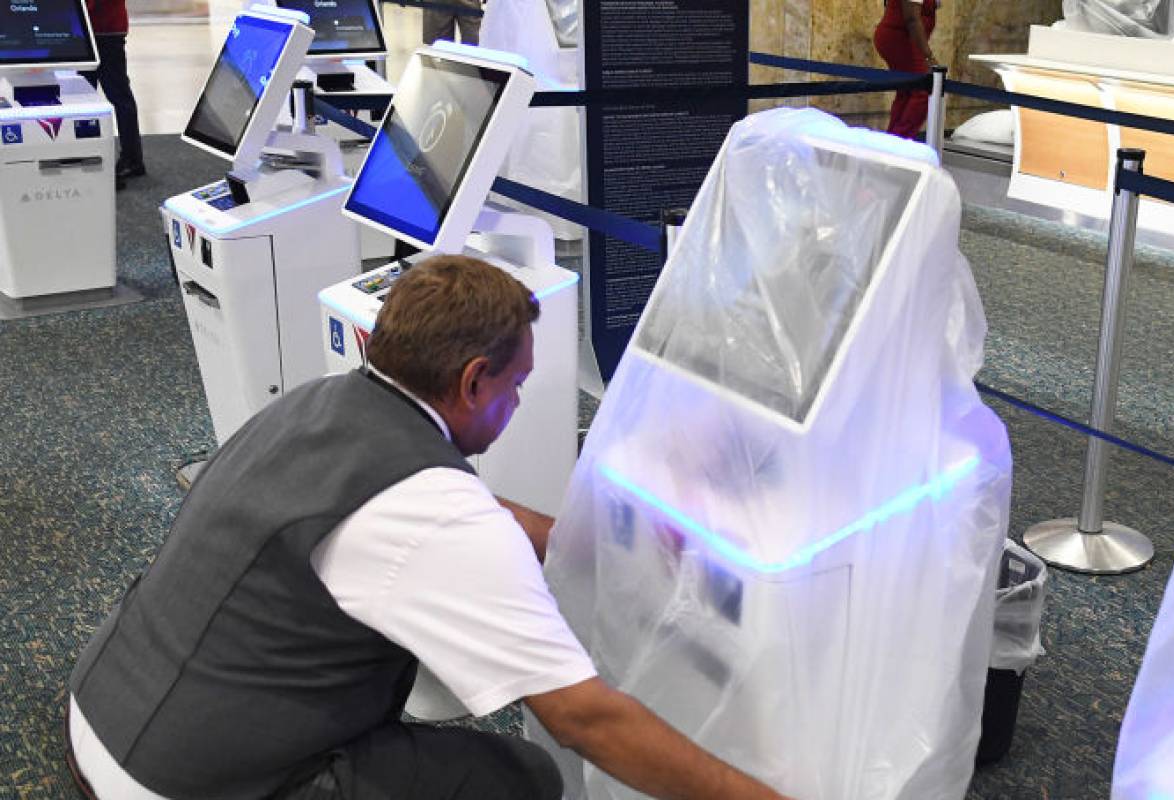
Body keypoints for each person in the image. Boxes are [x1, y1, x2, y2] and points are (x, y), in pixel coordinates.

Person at [66, 256, 786, 800]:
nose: (518, 403)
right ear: (474, 380)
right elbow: (586, 720)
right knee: (520, 777)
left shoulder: (322, 404)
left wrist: (606, 540)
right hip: (183, 783)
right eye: (517, 386)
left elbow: (479, 517)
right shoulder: (437, 513)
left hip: (109, 707)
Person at [81, 0, 146, 185]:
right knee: (84, 96)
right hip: (94, 28)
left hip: (104, 30)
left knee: (117, 96)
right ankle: (86, 152)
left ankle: (132, 159)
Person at [872, 0, 939, 140]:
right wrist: (929, 57)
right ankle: (899, 142)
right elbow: (912, 19)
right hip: (900, 38)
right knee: (923, 90)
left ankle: (892, 140)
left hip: (903, 37)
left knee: (907, 92)